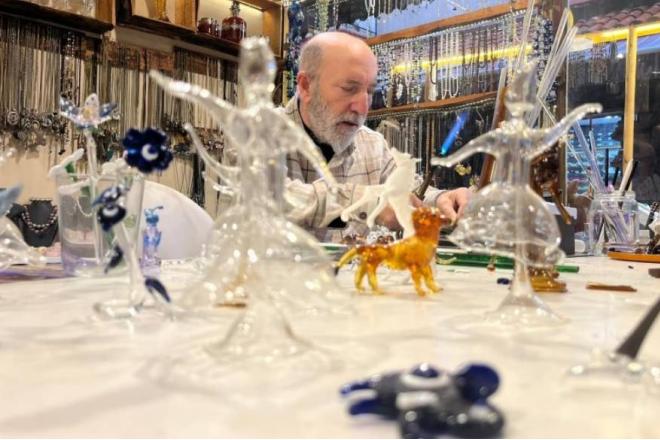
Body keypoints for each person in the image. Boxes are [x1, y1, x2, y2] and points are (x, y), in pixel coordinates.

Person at [283, 31, 473, 242]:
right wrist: (365, 201)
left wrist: (441, 200)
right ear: (306, 86)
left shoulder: (372, 144)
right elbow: (270, 198)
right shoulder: (260, 135)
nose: (363, 108)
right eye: (349, 88)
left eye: (370, 92)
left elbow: (408, 191)